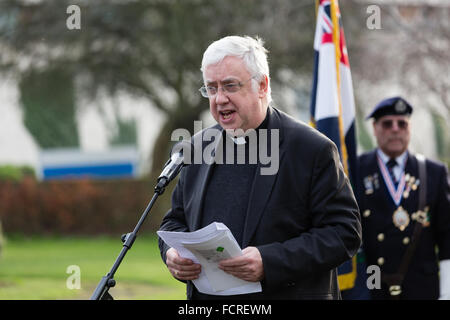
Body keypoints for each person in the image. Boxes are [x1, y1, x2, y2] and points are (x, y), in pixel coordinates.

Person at [158, 35, 362, 300]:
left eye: (230, 86)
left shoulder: (311, 149)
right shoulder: (196, 149)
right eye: (211, 88)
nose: (219, 99)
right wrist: (172, 255)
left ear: (262, 86)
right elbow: (174, 221)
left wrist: (270, 261)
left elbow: (344, 232)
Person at [356, 96, 450, 299]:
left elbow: (447, 237)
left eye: (402, 123)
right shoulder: (357, 169)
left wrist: (447, 292)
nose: (395, 129)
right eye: (387, 124)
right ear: (375, 128)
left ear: (410, 127)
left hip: (422, 288)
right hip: (373, 287)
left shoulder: (434, 172)